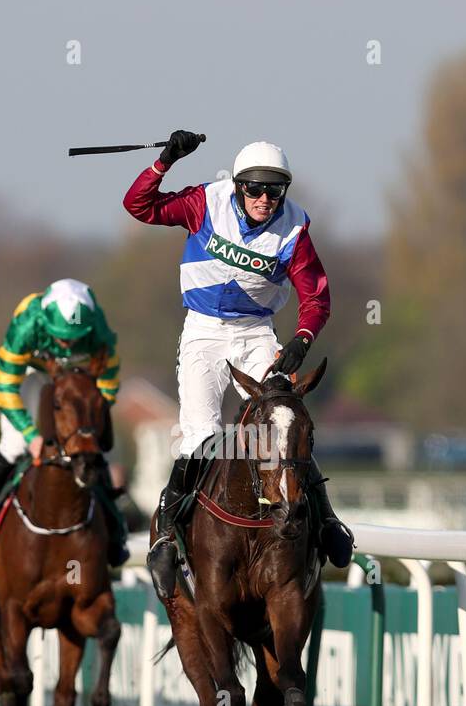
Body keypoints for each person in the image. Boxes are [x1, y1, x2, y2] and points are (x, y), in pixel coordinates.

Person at [122, 130, 354, 596]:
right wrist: (165, 160)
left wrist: (301, 341)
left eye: (276, 190)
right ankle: (167, 535)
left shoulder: (294, 229)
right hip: (203, 330)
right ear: (238, 186)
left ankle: (326, 521)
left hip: (255, 332)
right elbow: (139, 206)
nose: (266, 199)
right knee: (199, 435)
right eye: (256, 188)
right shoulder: (204, 203)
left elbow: (317, 297)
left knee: (284, 426)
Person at [0, 278, 128, 566]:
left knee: (91, 447)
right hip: (31, 375)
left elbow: (109, 381)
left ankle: (115, 529)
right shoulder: (27, 325)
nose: (66, 342)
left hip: (76, 378)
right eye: (60, 336)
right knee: (12, 444)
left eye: (73, 337)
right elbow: (4, 385)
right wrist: (31, 434)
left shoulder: (97, 330)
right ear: (46, 323)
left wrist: (92, 418)